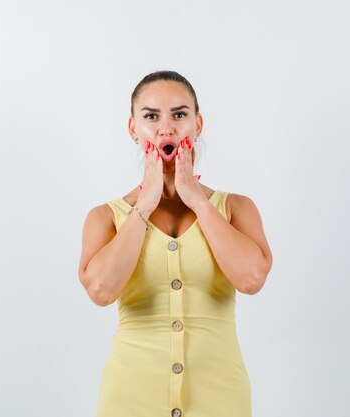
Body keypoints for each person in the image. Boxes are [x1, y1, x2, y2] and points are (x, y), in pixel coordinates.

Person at [78, 70, 273, 417]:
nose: (165, 128)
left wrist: (197, 199)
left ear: (197, 125)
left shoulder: (236, 208)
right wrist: (146, 202)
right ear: (132, 127)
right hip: (130, 397)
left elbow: (251, 279)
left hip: (220, 397)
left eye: (179, 115)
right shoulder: (106, 217)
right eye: (151, 116)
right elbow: (101, 291)